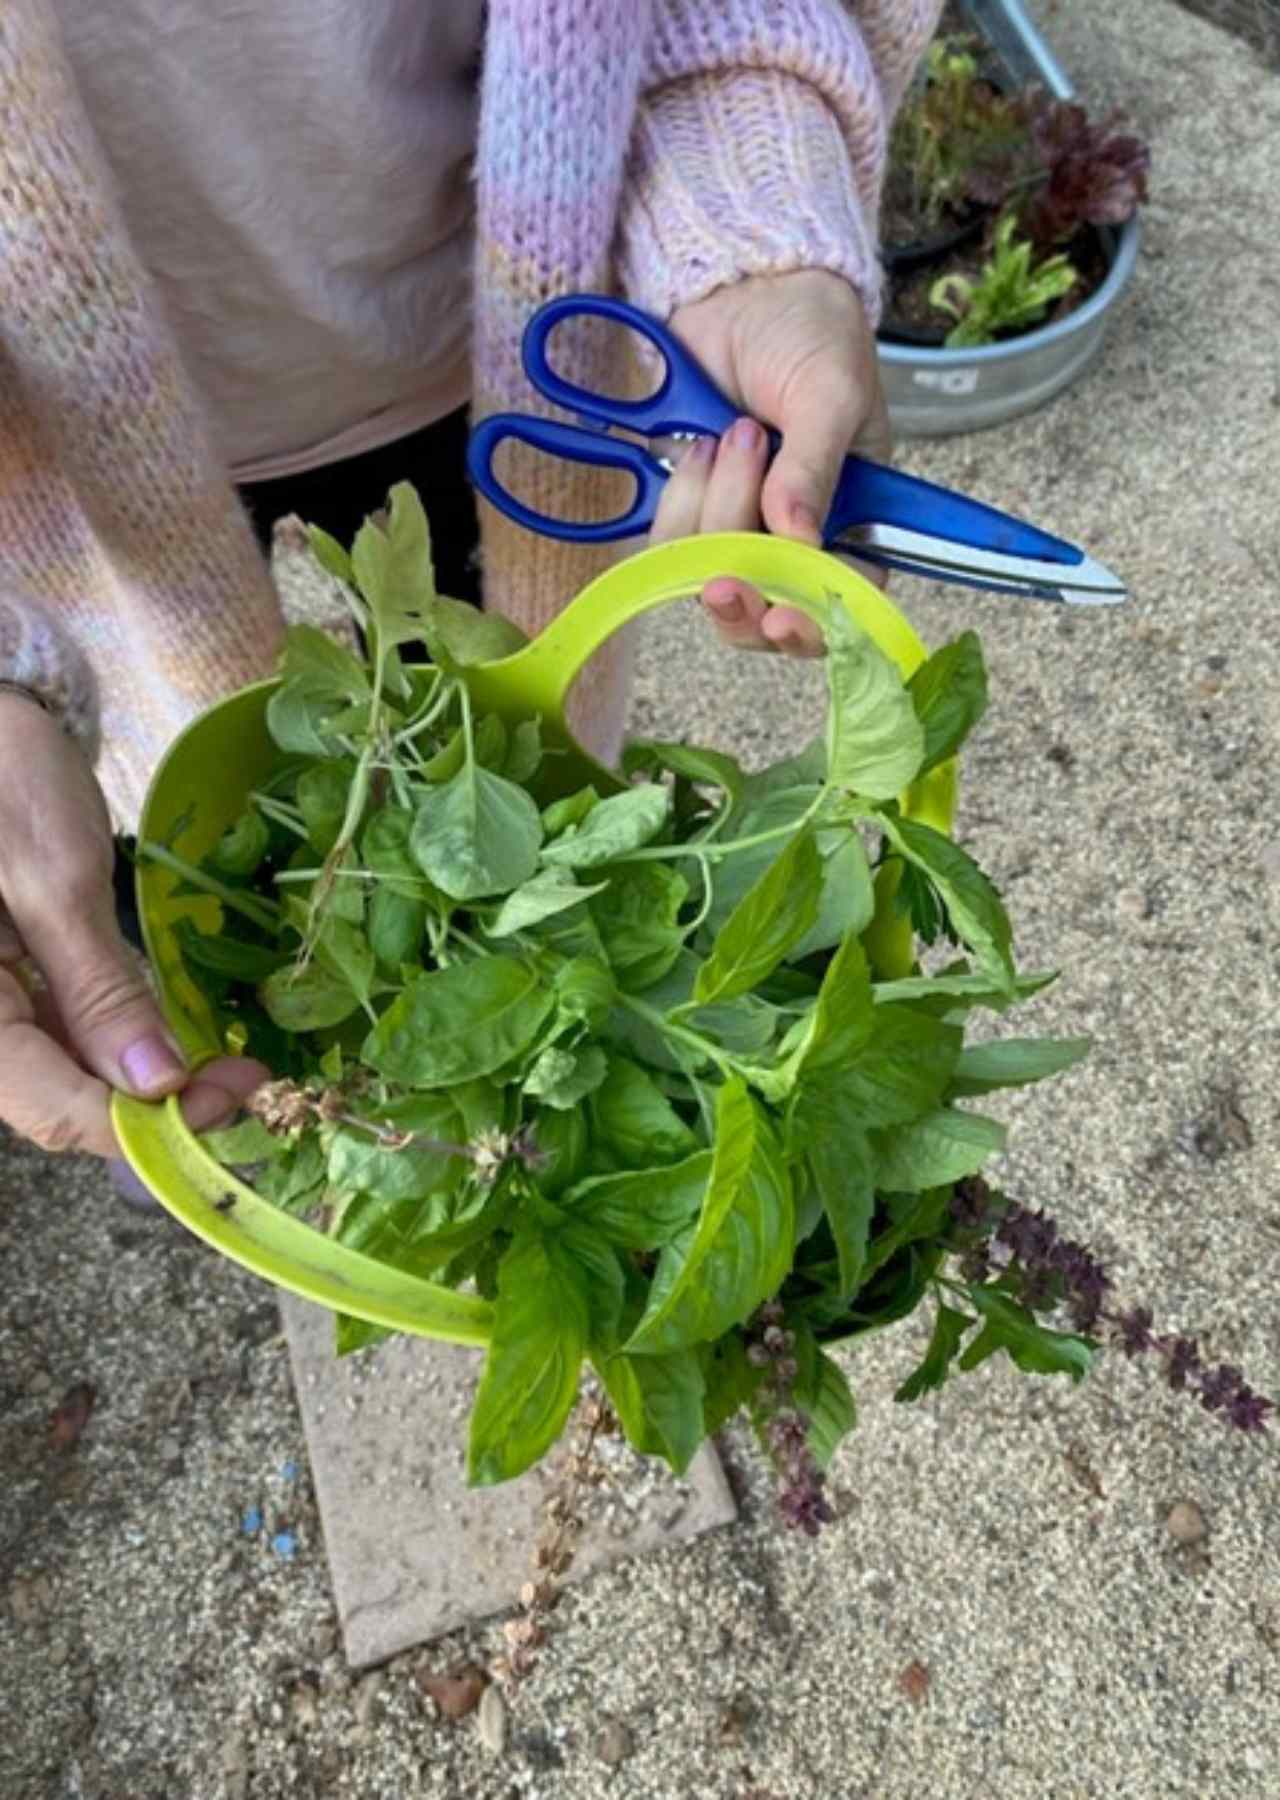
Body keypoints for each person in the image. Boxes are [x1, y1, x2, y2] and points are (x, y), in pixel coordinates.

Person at [0, 0, 941, 1165]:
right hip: (60, 468)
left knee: (489, 760)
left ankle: (437, 1096)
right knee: (177, 851)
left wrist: (738, 229)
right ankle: (224, 1078)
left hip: (485, 351)